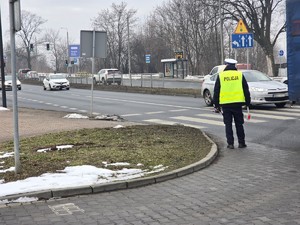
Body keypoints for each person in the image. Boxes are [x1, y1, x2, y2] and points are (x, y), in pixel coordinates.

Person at [213, 58, 251, 149]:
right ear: (234, 66)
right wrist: (248, 102)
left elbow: (216, 91)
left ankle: (230, 144)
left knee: (228, 124)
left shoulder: (221, 75)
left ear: (226, 65)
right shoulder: (239, 75)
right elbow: (246, 89)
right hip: (238, 104)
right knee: (239, 124)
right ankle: (241, 143)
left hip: (225, 104)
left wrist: (216, 105)